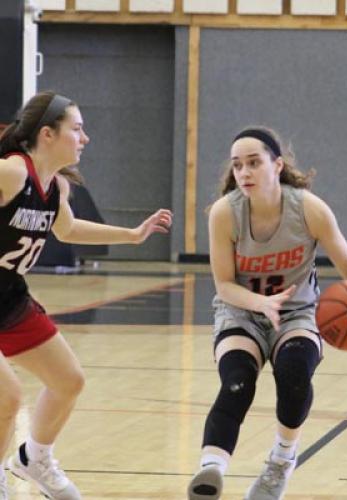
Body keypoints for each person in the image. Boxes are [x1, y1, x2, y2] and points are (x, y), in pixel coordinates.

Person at [187, 126, 347, 500]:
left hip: (298, 314)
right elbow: (224, 285)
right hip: (241, 313)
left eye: (253, 163)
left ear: (276, 164)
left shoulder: (308, 209)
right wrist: (261, 304)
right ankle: (210, 471)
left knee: (295, 373)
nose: (244, 173)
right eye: (237, 166)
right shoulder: (224, 214)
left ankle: (281, 460)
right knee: (237, 381)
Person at [0, 91, 173, 500]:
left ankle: (34, 458)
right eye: (77, 128)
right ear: (47, 133)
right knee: (9, 396)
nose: (85, 138)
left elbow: (69, 230)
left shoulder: (54, 187)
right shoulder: (11, 173)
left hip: (9, 296)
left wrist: (132, 236)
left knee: (69, 380)